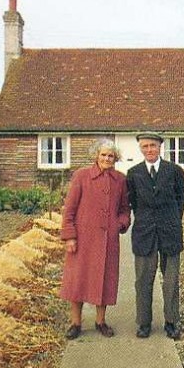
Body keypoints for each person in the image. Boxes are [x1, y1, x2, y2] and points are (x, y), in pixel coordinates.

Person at [59, 139, 131, 339]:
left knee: (105, 280)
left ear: (115, 158)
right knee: (78, 280)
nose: (107, 158)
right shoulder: (82, 176)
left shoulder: (120, 180)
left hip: (109, 240)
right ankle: (76, 323)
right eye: (103, 155)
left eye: (111, 156)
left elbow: (125, 209)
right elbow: (70, 209)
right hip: (83, 239)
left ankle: (100, 322)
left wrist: (121, 224)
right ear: (96, 156)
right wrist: (69, 236)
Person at [126, 132, 184, 339]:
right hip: (144, 233)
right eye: (145, 146)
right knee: (143, 279)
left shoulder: (175, 171)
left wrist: (171, 221)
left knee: (171, 279)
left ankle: (171, 321)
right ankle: (143, 323)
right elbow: (133, 202)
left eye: (152, 145)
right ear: (140, 149)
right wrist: (146, 221)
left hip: (170, 232)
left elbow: (181, 200)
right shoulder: (133, 174)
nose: (149, 150)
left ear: (160, 146)